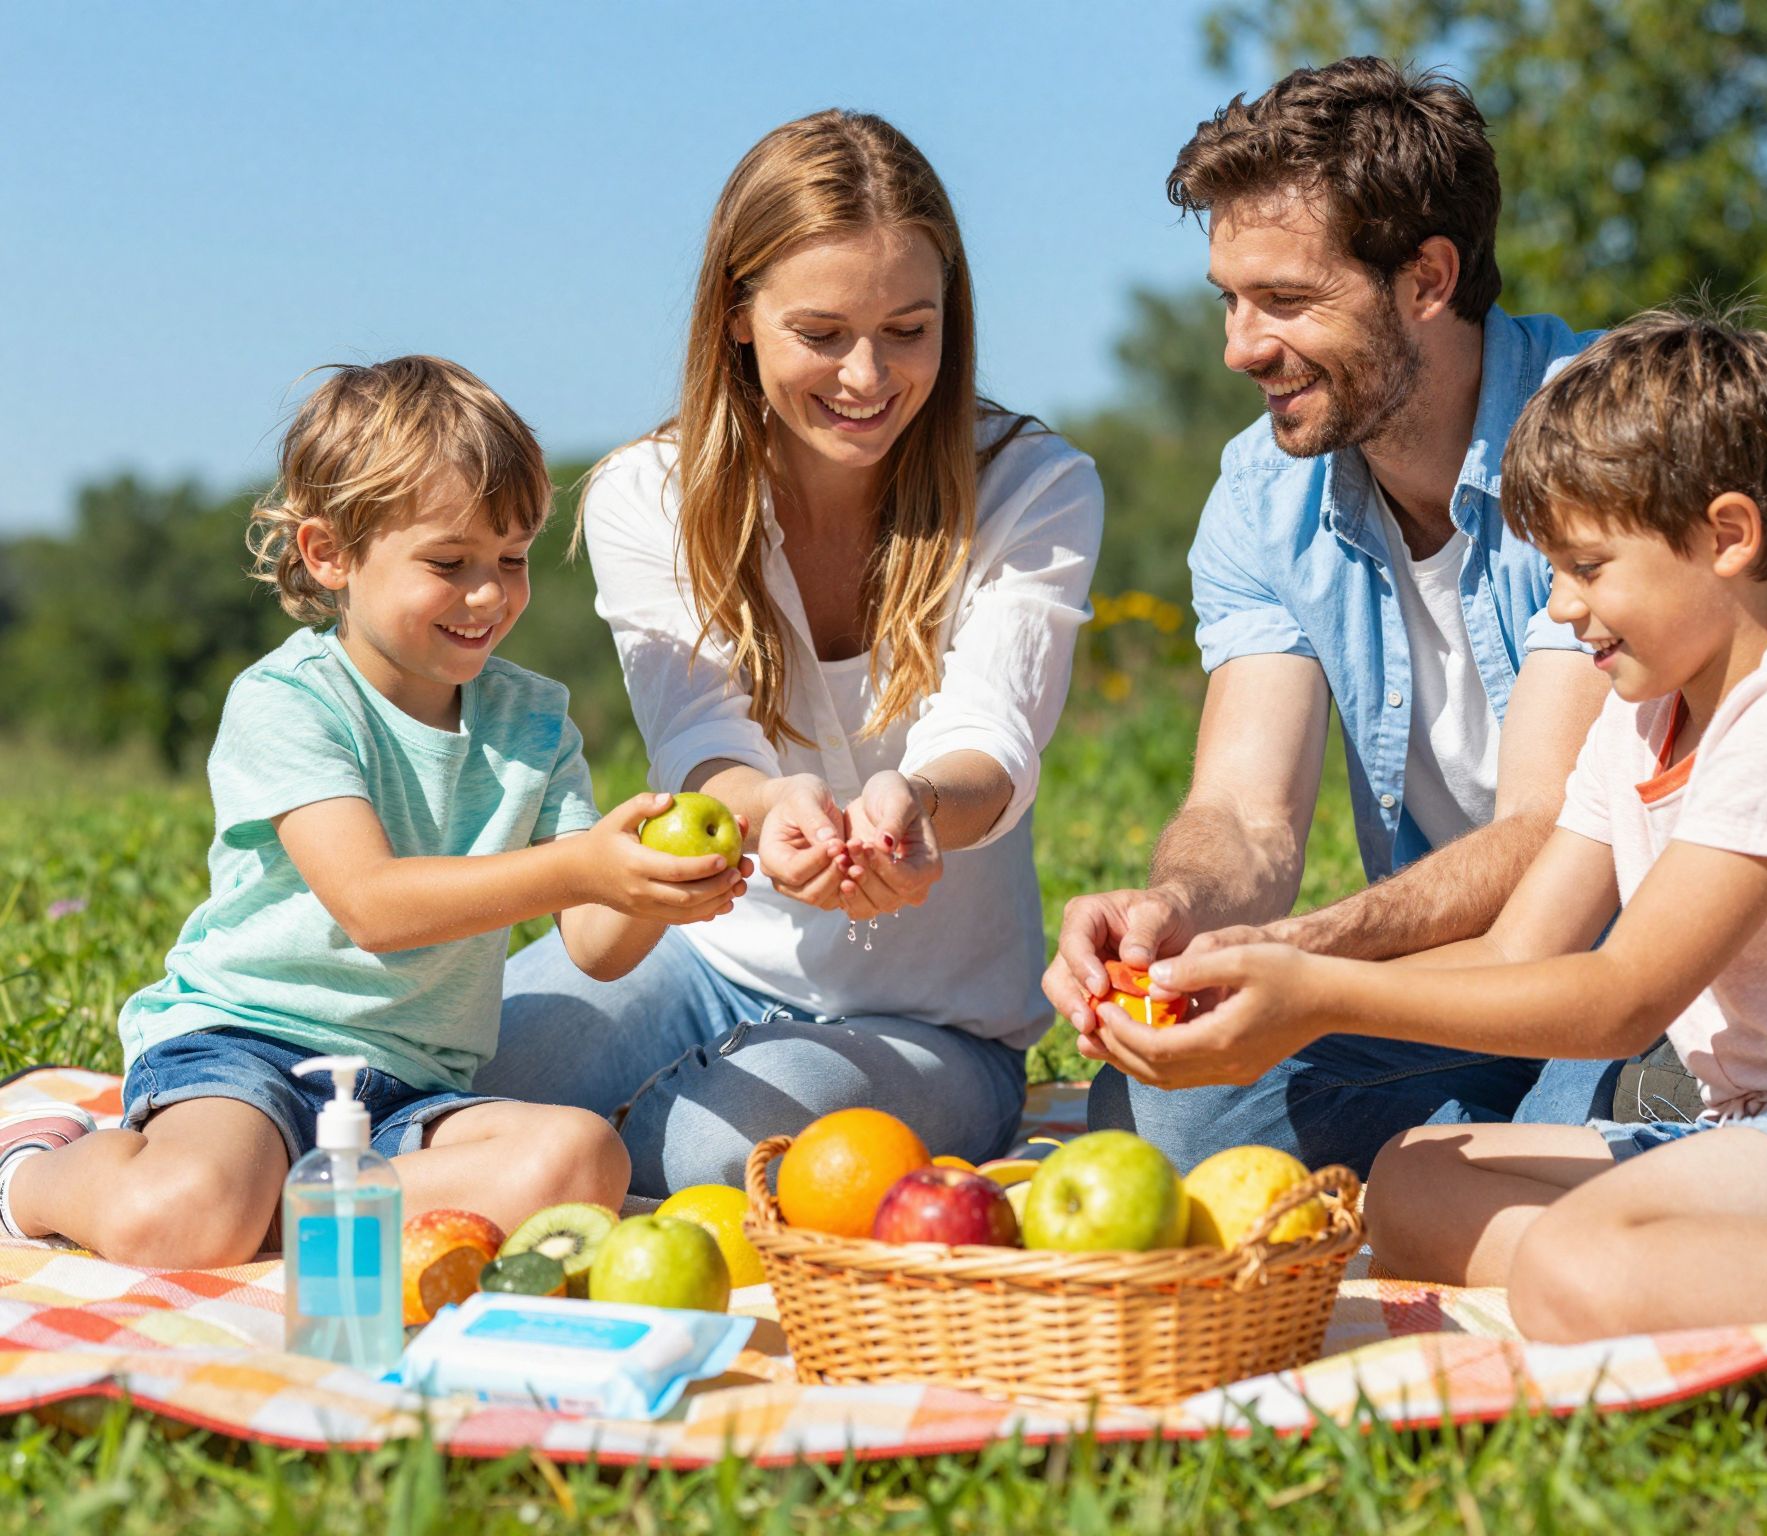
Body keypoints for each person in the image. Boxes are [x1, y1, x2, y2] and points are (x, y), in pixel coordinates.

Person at [1087, 308, 1767, 1357]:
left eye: (1587, 568)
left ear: (1727, 536)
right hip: (1763, 1127)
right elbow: (1517, 949)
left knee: (1570, 1266)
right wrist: (1272, 963)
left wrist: (1318, 994)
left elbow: (1616, 999)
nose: (1559, 607)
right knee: (1412, 1178)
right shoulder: (1640, 717)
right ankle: (1692, 1271)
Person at [476, 110, 1103, 1195]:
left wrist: (912, 804)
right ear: (736, 316)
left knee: (712, 1156)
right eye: (821, 334)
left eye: (908, 329)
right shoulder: (648, 494)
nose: (867, 376)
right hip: (706, 960)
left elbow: (988, 741)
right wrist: (772, 811)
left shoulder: (1033, 486)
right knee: (465, 1076)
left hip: (932, 1020)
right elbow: (700, 739)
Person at [0, 358, 746, 1267]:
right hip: (247, 1051)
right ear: (331, 555)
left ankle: (262, 1214)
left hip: (411, 1089)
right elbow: (372, 905)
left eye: (511, 560)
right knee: (182, 1208)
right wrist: (577, 865)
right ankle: (34, 1169)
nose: (490, 594)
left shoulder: (534, 720)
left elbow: (591, 943)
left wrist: (652, 892)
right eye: (449, 562)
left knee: (582, 1160)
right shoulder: (289, 701)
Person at [1044, 56, 1625, 1173]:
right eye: (1229, 299)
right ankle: (1521, 1146)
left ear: (1425, 279)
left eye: (1286, 301)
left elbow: (1541, 828)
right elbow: (1245, 817)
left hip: (1623, 963)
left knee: (1560, 1144)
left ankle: (1599, 1125)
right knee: (1157, 1109)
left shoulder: (1597, 437)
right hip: (1435, 981)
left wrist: (1304, 957)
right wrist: (1173, 912)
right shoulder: (1261, 494)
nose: (1239, 347)